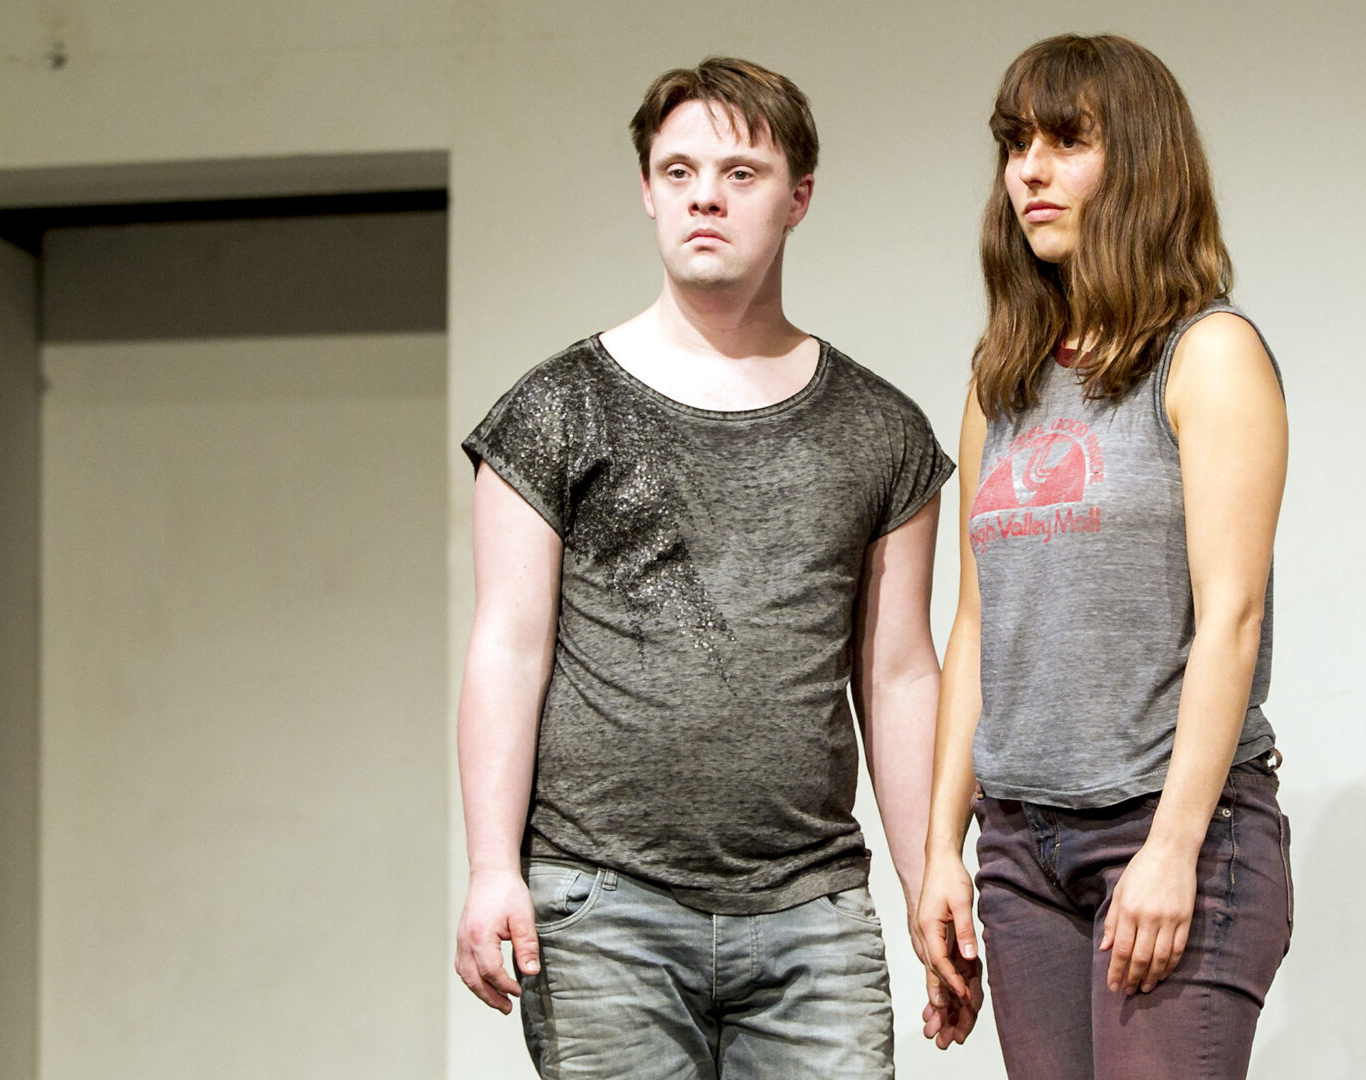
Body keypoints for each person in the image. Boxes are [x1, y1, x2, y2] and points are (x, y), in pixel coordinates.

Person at [452, 57, 954, 1079]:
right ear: (646, 191)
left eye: (739, 172)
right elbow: (507, 646)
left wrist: (927, 879)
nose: (705, 197)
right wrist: (490, 868)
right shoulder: (556, 409)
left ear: (798, 196)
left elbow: (898, 673)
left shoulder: (880, 429)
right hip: (604, 904)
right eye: (678, 172)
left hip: (812, 909)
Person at [916, 33, 1293, 1079]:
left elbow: (1232, 617)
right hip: (1021, 852)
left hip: (1171, 831)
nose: (1028, 170)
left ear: (1137, 162)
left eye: (1065, 142)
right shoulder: (1004, 383)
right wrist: (941, 851)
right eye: (1014, 143)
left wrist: (1173, 849)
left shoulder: (1209, 355)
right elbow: (977, 627)